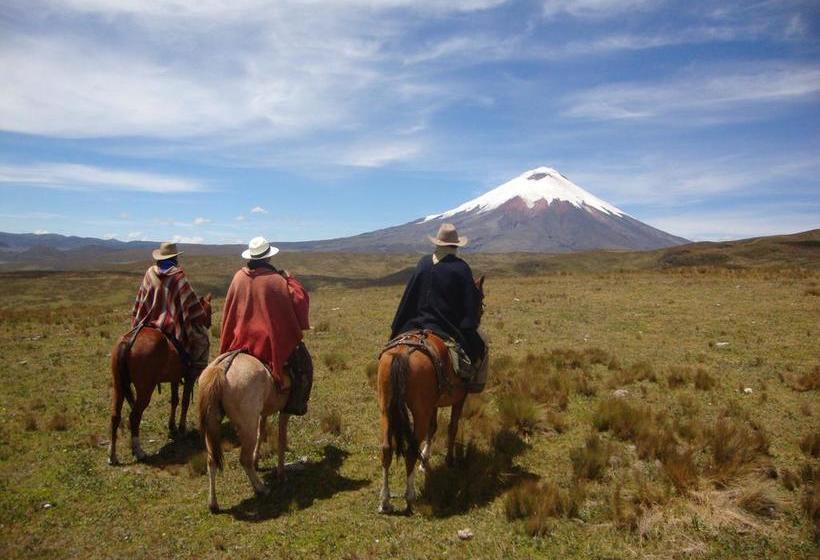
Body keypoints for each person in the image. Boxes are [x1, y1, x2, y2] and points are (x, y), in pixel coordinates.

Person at [390, 223, 486, 371]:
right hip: (445, 328)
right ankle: (475, 384)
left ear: (438, 243)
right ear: (456, 245)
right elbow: (469, 306)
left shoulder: (423, 263)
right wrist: (469, 326)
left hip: (413, 324)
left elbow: (409, 297)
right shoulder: (461, 268)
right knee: (481, 348)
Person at [219, 236, 310, 389]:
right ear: (268, 256)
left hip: (238, 338)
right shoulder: (276, 280)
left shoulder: (238, 277)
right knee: (303, 363)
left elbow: (230, 311)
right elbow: (299, 300)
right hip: (266, 341)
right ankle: (296, 403)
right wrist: (290, 279)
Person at [131, 241, 210, 373]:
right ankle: (195, 369)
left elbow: (141, 298)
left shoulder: (150, 273)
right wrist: (200, 315)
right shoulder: (178, 276)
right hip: (172, 327)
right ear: (174, 258)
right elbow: (190, 302)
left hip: (147, 322)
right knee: (203, 338)